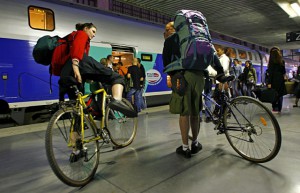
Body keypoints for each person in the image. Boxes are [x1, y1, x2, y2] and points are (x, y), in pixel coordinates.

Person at [163, 21, 225, 158]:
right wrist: (220, 72)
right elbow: (212, 55)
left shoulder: (170, 40)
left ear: (173, 29)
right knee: (196, 112)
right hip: (199, 76)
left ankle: (185, 148)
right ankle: (195, 144)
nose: (165, 32)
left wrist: (173, 77)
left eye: (166, 29)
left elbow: (166, 62)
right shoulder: (196, 37)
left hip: (182, 77)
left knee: (184, 112)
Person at [54, 23, 136, 118]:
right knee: (117, 77)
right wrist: (75, 65)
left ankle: (76, 131)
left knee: (78, 107)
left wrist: (87, 76)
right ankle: (116, 101)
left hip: (66, 72)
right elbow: (77, 49)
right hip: (79, 64)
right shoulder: (81, 34)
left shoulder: (71, 37)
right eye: (93, 31)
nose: (94, 35)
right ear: (85, 28)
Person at [266, 47, 287, 113]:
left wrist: (269, 83)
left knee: (274, 94)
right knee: (280, 94)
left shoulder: (271, 62)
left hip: (273, 80)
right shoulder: (282, 61)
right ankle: (279, 109)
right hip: (280, 80)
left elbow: (270, 73)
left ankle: (274, 108)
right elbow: (284, 72)